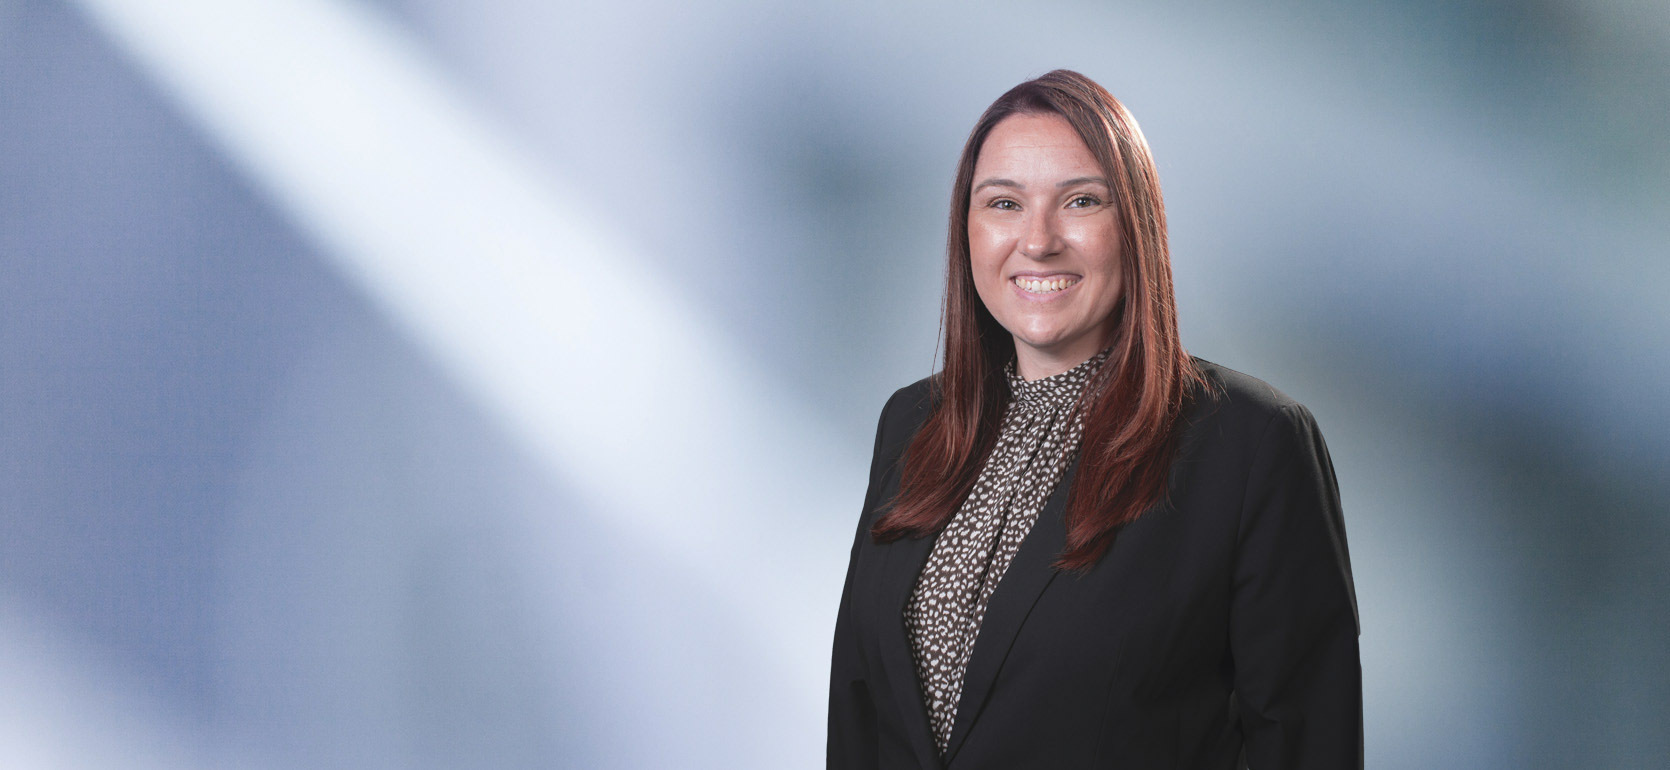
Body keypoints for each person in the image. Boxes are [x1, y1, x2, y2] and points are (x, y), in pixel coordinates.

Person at [827, 70, 1362, 769]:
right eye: (1004, 203)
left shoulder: (1251, 445)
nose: (1038, 240)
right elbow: (860, 715)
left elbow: (1304, 746)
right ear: (967, 229)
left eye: (1080, 200)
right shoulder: (911, 424)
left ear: (1134, 224)